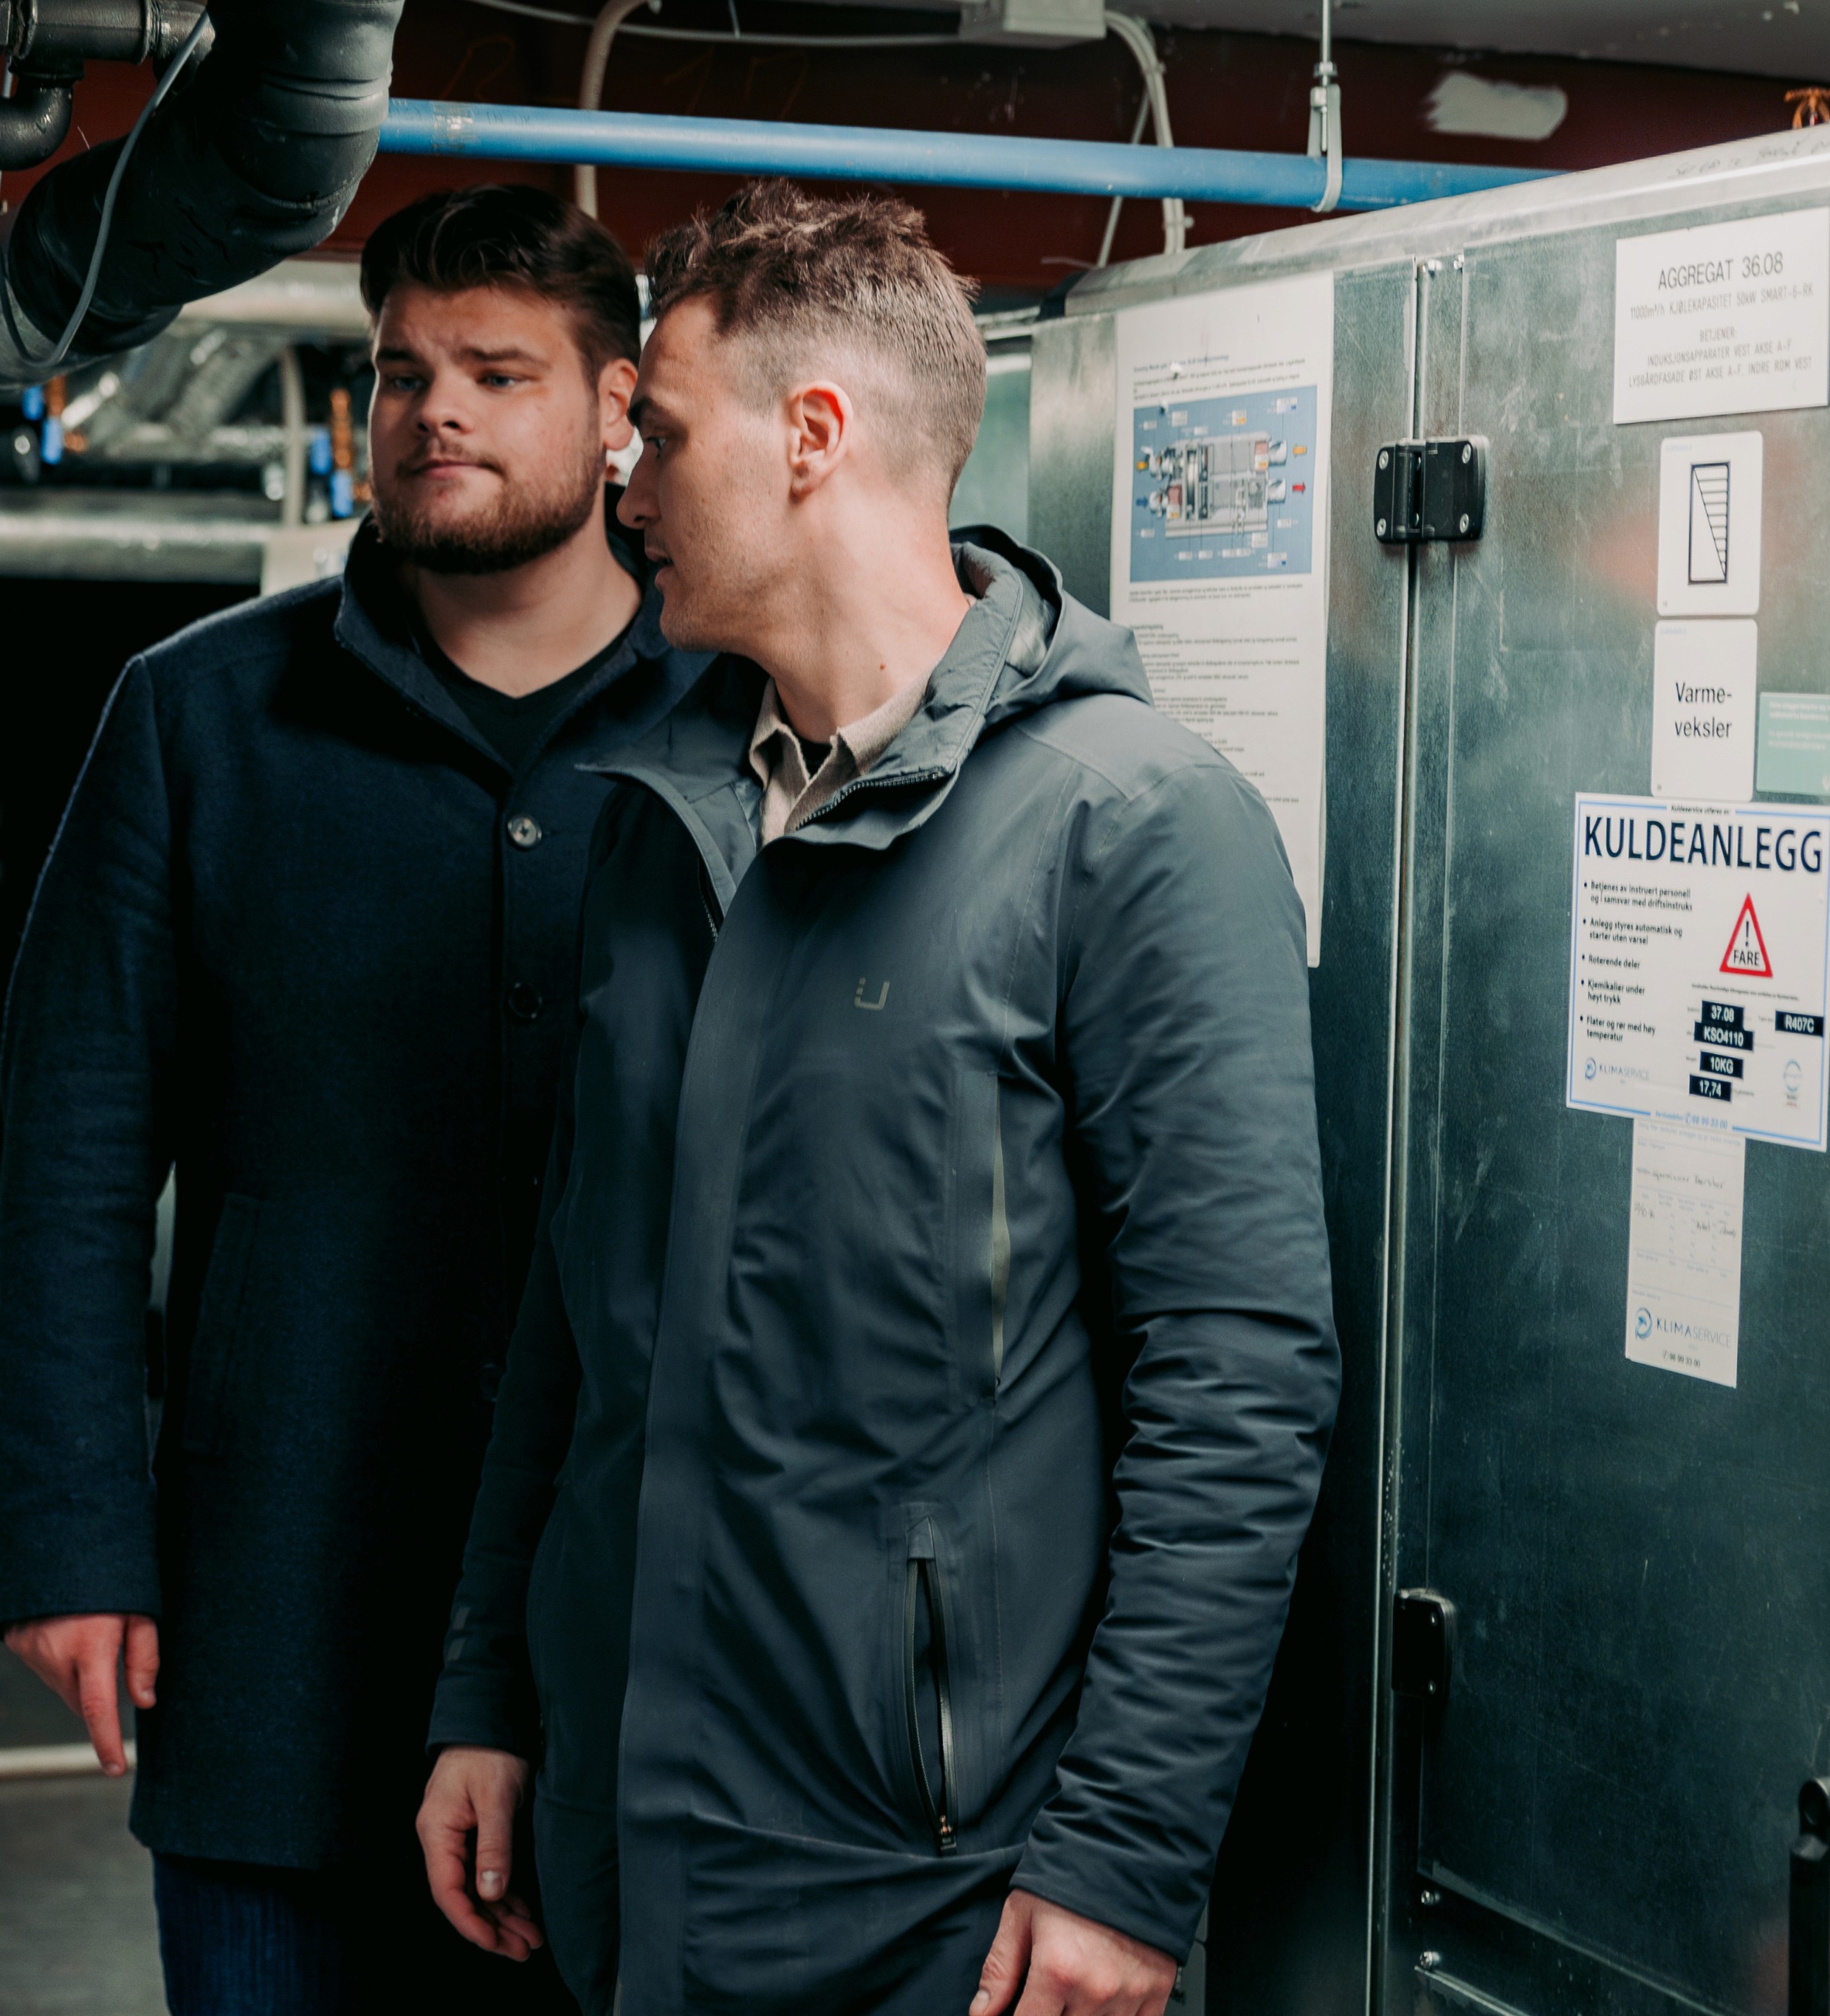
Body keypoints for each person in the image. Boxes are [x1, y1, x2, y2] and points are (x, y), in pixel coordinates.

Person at [419, 179, 1339, 2016]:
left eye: (659, 434)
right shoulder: (657, 818)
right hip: (630, 1830)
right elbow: (567, 1313)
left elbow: (1235, 1380)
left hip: (941, 1891)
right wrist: (487, 1695)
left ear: (811, 439)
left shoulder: (1131, 827)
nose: (627, 490)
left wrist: (1123, 1860)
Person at [0, 184, 705, 2013]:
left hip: (628, 1617)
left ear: (618, 405)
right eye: (399, 373)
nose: (431, 412)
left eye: (493, 370)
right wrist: (73, 1541)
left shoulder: (728, 721)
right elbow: (72, 1153)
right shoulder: (194, 718)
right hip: (275, 1607)